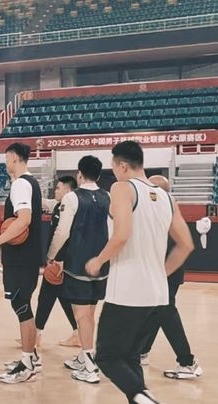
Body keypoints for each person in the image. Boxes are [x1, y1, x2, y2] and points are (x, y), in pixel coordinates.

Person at [87, 141, 195, 403]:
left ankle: (142, 395)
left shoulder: (122, 188)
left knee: (107, 357)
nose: (114, 173)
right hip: (157, 296)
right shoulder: (167, 198)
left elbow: (122, 235)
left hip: (127, 292)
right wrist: (160, 273)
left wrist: (98, 260)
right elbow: (186, 245)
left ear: (123, 166)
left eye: (114, 167)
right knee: (130, 357)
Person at [47, 156, 110, 384]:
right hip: (101, 265)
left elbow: (62, 232)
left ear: (79, 174)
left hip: (78, 264)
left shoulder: (72, 197)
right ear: (99, 175)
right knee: (89, 315)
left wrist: (51, 255)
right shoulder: (108, 196)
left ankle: (90, 366)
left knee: (81, 316)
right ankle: (84, 356)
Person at [139, 175, 202, 380]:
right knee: (156, 312)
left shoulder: (163, 211)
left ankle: (187, 362)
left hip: (166, 271)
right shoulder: (165, 209)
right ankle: (142, 351)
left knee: (165, 312)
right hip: (167, 271)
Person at [0, 142, 43, 384]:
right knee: (23, 305)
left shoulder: (21, 184)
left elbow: (24, 220)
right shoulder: (31, 183)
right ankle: (31, 356)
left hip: (21, 258)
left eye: (6, 158)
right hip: (27, 257)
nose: (5, 163)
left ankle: (27, 364)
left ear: (14, 158)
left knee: (21, 306)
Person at [31, 176, 79, 348]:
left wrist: (52, 257)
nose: (55, 191)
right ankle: (77, 334)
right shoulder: (59, 205)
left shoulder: (71, 207)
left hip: (61, 260)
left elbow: (64, 234)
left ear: (68, 190)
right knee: (63, 297)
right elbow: (44, 202)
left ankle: (36, 335)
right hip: (61, 261)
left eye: (58, 188)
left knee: (46, 296)